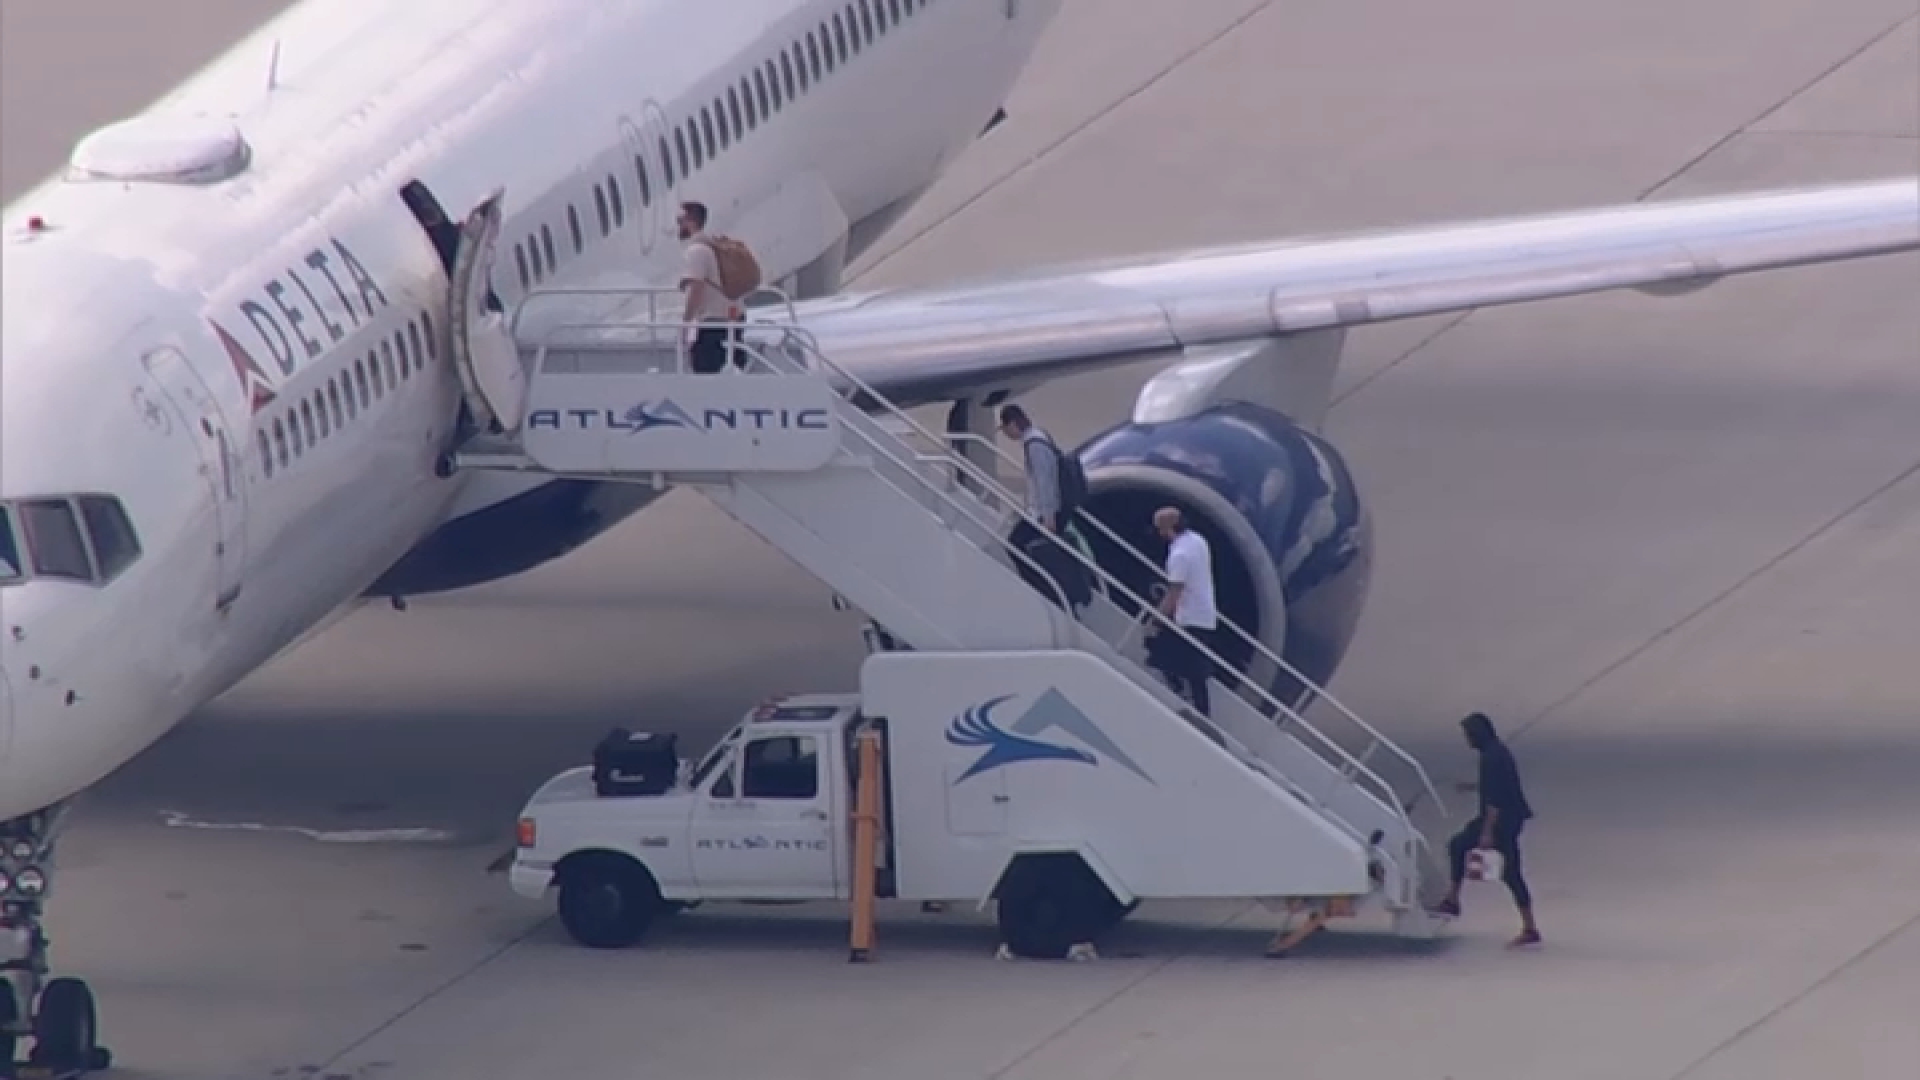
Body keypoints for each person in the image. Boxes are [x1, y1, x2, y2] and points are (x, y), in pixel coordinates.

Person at [1432, 712, 1541, 947]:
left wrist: (1487, 832)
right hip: (1511, 818)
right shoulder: (1497, 752)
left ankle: (1453, 900)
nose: (1467, 740)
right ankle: (1529, 926)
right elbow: (1497, 785)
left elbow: (1495, 800)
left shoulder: (1491, 758)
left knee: (1461, 846)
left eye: (1468, 735)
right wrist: (1472, 787)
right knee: (1509, 872)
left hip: (1502, 821)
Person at [997, 404, 1090, 612]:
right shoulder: (1040, 437)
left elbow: (1044, 481)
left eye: (1005, 428)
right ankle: (1052, 592)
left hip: (1046, 512)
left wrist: (1048, 516)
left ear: (1013, 423)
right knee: (1032, 548)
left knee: (1015, 545)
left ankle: (1046, 592)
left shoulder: (1035, 444)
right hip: (1045, 510)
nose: (1006, 434)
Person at [1149, 506, 1220, 715]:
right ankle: (1197, 707)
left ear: (1168, 529)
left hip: (1189, 619)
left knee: (1158, 651)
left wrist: (1156, 619)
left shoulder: (1179, 555)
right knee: (1196, 674)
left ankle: (1189, 702)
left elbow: (1174, 593)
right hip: (1205, 615)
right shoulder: (1197, 540)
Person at [677, 201, 742, 373]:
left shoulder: (697, 251)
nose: (678, 226)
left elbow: (696, 288)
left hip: (715, 320)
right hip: (734, 315)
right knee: (731, 365)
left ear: (691, 222)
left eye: (680, 221)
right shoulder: (714, 245)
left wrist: (686, 321)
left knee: (704, 368)